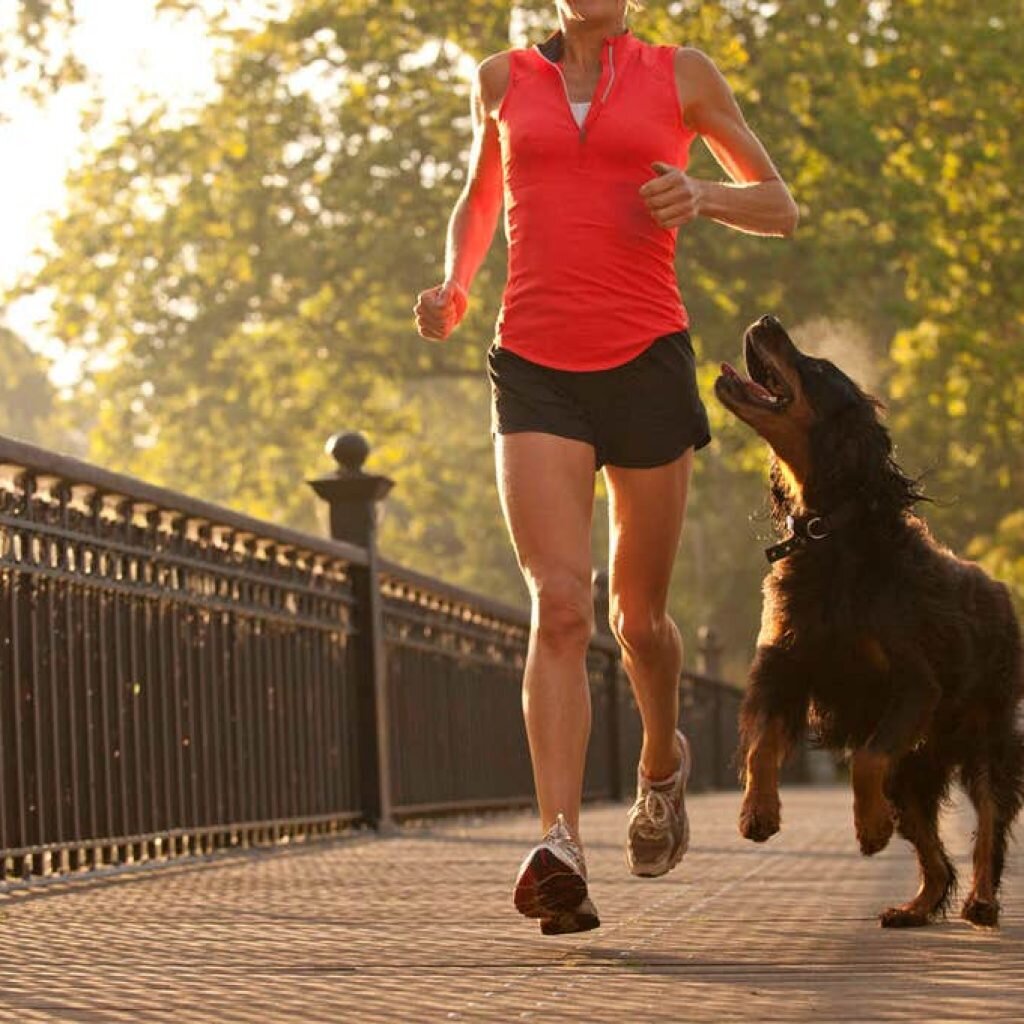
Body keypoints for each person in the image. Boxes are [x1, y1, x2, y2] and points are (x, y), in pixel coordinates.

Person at [414, 0, 796, 935]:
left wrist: (702, 195)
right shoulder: (504, 80)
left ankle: (659, 768)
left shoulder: (683, 73)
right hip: (535, 362)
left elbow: (780, 207)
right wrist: (458, 282)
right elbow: (481, 196)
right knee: (561, 602)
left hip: (646, 360)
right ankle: (559, 845)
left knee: (639, 618)